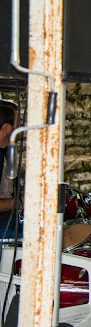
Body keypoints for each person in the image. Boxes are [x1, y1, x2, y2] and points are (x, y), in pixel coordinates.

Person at [0, 100, 19, 238]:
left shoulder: (7, 151)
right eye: (18, 123)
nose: (21, 127)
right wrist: (20, 202)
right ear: (6, 127)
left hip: (10, 219)